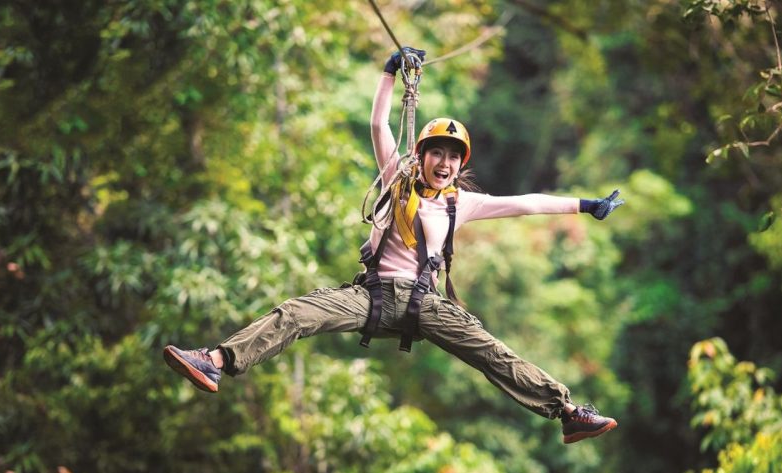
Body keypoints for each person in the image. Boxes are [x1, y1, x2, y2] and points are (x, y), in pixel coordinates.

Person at [163, 47, 625, 443]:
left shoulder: (460, 204)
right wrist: (389, 72)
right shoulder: (395, 181)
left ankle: (567, 413)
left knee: (492, 352)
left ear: (459, 164)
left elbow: (525, 203)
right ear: (421, 156)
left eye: (451, 156)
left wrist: (586, 205)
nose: (443, 163)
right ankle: (216, 359)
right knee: (297, 313)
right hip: (372, 296)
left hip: (426, 304)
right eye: (436, 153)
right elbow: (380, 124)